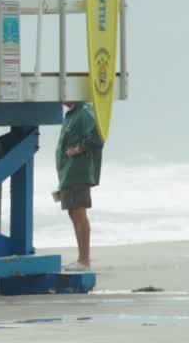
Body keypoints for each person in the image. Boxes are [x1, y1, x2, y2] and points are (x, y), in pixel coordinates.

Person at [53, 99, 104, 272]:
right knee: (73, 213)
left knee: (79, 212)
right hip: (68, 173)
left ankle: (84, 260)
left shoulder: (84, 112)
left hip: (78, 171)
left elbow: (98, 136)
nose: (62, 98)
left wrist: (77, 149)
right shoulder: (72, 114)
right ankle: (81, 259)